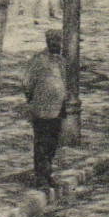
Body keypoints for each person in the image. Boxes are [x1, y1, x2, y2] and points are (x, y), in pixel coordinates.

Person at [23, 29, 68, 190]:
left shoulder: (61, 61)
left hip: (57, 108)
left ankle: (48, 174)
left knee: (52, 144)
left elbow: (63, 82)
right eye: (53, 41)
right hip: (41, 109)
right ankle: (40, 178)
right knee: (41, 143)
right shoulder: (38, 60)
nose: (57, 44)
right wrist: (33, 101)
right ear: (48, 42)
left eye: (59, 41)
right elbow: (27, 83)